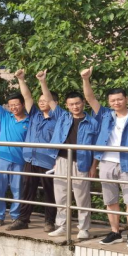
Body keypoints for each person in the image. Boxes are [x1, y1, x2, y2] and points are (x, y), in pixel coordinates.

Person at [81, 67, 128, 248]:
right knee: (110, 201)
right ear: (109, 102)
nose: (116, 102)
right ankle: (115, 232)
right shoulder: (105, 116)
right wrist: (85, 79)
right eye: (113, 100)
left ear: (126, 99)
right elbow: (90, 98)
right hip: (107, 162)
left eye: (119, 99)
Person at [44, 80, 100, 240]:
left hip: (82, 163)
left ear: (83, 103)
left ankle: (84, 228)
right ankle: (62, 226)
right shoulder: (63, 117)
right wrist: (42, 81)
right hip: (62, 160)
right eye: (71, 104)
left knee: (82, 197)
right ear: (67, 105)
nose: (75, 106)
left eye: (77, 103)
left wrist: (94, 166)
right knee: (61, 196)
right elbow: (49, 100)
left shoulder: (93, 122)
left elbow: (97, 147)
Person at [8, 70, 59, 232]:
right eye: (40, 100)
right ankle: (23, 219)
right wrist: (21, 80)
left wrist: (43, 82)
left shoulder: (59, 118)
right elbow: (27, 97)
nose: (42, 102)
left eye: (45, 100)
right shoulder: (35, 115)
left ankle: (49, 221)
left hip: (48, 162)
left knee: (49, 193)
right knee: (27, 191)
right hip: (30, 159)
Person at [0, 70, 32, 227]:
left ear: (22, 105)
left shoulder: (30, 120)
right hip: (1, 157)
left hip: (19, 159)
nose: (13, 107)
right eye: (11, 105)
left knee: (18, 189)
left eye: (16, 104)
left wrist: (21, 80)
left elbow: (29, 98)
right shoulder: (6, 116)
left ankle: (15, 216)